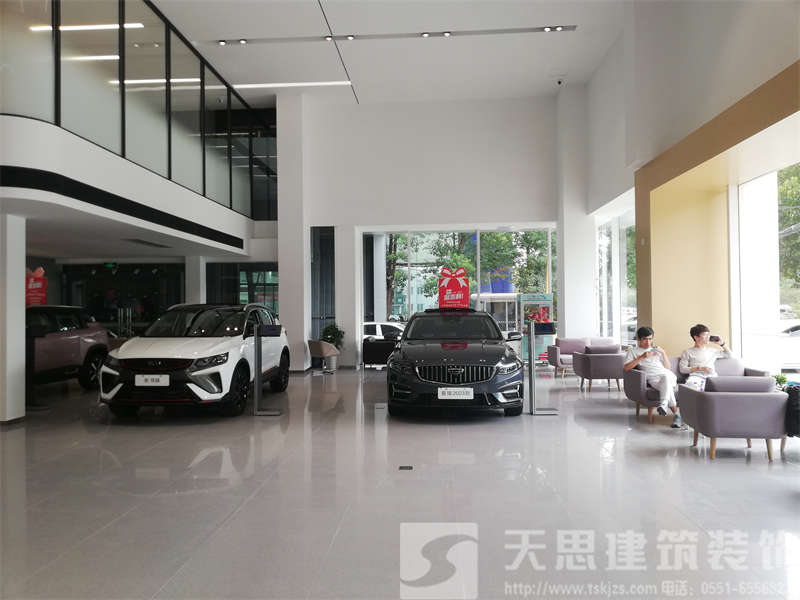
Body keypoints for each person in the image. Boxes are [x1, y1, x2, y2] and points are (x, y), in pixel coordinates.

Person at [624, 326, 681, 427]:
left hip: (667, 375)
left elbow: (667, 368)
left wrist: (663, 353)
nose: (648, 342)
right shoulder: (633, 351)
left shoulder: (656, 350)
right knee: (667, 385)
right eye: (645, 339)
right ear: (639, 339)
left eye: (650, 339)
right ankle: (675, 414)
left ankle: (664, 405)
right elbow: (626, 368)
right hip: (653, 379)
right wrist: (642, 357)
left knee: (666, 377)